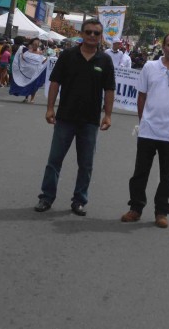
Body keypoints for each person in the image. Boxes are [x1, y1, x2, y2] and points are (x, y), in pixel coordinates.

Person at [35, 18, 115, 216]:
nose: (92, 36)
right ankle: (46, 197)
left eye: (96, 33)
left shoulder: (105, 60)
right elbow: (55, 82)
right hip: (65, 118)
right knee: (54, 160)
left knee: (86, 164)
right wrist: (50, 108)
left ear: (101, 36)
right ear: (82, 34)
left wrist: (108, 115)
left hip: (89, 121)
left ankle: (79, 200)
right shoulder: (68, 55)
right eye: (88, 32)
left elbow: (109, 89)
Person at [120, 33, 169, 228]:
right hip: (147, 131)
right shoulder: (150, 67)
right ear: (163, 46)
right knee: (139, 173)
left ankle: (161, 212)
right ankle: (135, 208)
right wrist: (142, 121)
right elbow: (141, 96)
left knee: (167, 175)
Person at [9, 38, 49, 104]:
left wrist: (48, 60)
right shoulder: (28, 52)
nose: (35, 45)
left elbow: (43, 61)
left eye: (36, 44)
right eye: (34, 44)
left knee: (34, 85)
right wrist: (21, 55)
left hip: (35, 72)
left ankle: (32, 98)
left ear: (38, 45)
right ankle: (26, 98)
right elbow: (23, 59)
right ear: (32, 44)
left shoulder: (40, 53)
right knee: (26, 84)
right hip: (27, 72)